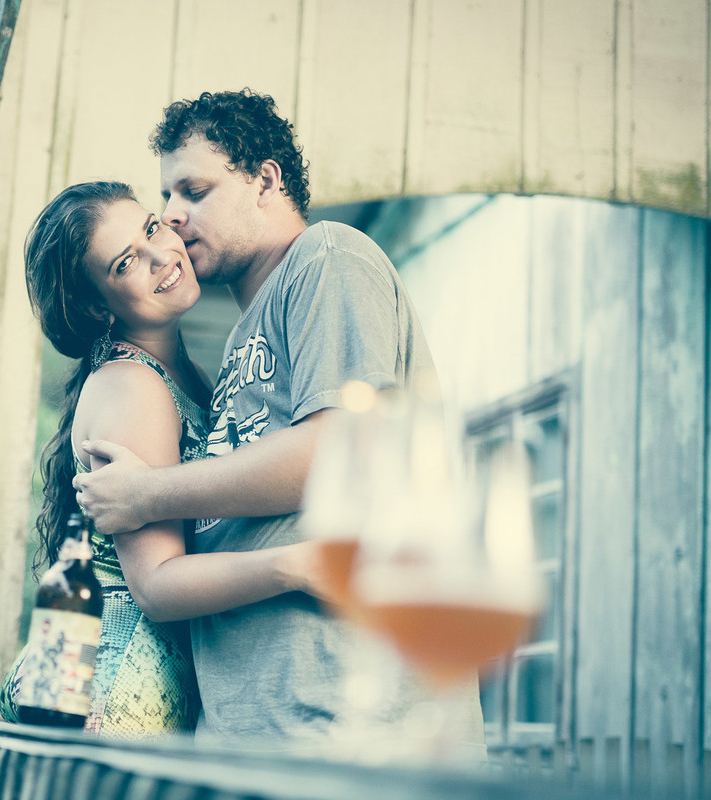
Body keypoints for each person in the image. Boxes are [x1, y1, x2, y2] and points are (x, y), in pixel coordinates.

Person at [72, 89, 485, 746]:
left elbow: (343, 449)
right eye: (166, 200)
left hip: (349, 726)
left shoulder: (327, 259)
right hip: (255, 733)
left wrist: (148, 492)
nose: (174, 218)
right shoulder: (237, 345)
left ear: (265, 179)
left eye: (194, 192)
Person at [0, 180, 326, 738]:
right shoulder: (133, 386)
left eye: (152, 228)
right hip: (119, 699)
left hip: (129, 691)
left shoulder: (169, 371)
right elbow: (157, 586)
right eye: (126, 262)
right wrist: (298, 566)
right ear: (95, 307)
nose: (161, 255)